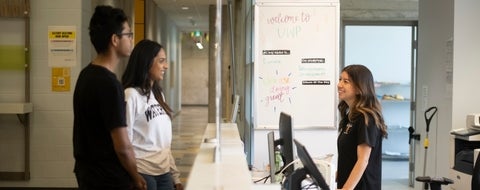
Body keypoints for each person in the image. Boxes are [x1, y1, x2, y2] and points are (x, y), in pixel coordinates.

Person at [73, 5, 146, 190]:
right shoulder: (109, 84)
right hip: (108, 178)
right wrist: (136, 176)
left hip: (87, 173)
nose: (132, 39)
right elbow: (122, 145)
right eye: (128, 34)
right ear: (115, 39)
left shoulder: (86, 75)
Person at [122, 39, 183, 190]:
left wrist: (175, 176)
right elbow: (125, 141)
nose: (166, 66)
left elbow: (164, 143)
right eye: (161, 61)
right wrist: (133, 175)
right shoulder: (131, 95)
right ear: (147, 62)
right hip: (142, 172)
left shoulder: (159, 94)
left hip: (164, 172)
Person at [336, 64, 388, 190]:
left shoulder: (366, 118)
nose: (339, 85)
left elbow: (362, 161)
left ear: (360, 89)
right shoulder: (351, 116)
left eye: (346, 81)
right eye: (340, 79)